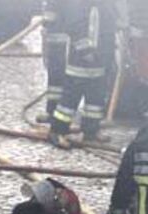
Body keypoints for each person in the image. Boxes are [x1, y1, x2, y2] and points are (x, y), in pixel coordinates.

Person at [48, 0, 117, 148]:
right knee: (69, 100)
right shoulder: (79, 3)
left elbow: (109, 28)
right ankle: (57, 131)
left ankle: (91, 131)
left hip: (101, 59)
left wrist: (109, 56)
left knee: (95, 99)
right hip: (81, 61)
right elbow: (74, 25)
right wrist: (85, 50)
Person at [37, 0, 70, 124]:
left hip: (62, 38)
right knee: (55, 79)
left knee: (60, 77)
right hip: (58, 38)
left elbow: (51, 14)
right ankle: (53, 111)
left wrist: (47, 20)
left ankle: (58, 113)